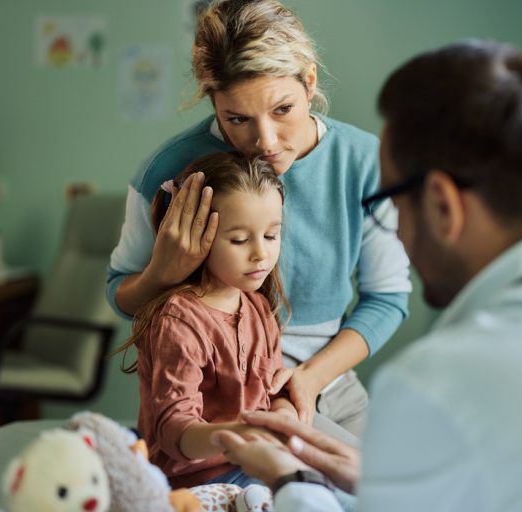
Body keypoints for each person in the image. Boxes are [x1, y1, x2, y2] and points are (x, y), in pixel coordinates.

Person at [210, 40, 522, 511]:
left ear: (442, 204)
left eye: (392, 204)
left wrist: (290, 480)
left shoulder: (440, 382)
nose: (397, 231)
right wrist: (379, 479)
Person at [107, 0, 411, 438]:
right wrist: (160, 273)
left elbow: (387, 298)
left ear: (309, 80)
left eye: (282, 110)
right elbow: (120, 290)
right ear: (212, 102)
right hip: (222, 403)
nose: (264, 141)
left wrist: (308, 378)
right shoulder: (167, 171)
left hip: (330, 385)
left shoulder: (365, 163)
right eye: (237, 119)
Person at [112, 152, 298, 489]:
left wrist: (284, 416)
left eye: (271, 236)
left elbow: (274, 390)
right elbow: (175, 433)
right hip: (193, 481)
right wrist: (242, 437)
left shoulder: (257, 308)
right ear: (200, 237)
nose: (261, 253)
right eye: (239, 240)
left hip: (253, 465)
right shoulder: (180, 320)